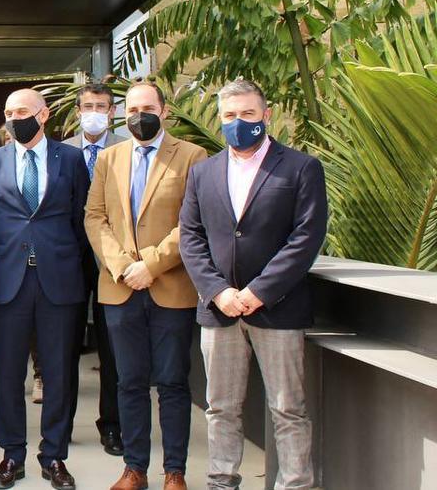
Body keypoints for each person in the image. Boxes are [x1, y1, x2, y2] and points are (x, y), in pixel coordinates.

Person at [180, 80, 328, 490]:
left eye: (247, 114)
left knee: (288, 408)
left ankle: (295, 484)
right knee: (220, 408)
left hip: (278, 309)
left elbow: (306, 238)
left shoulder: (300, 168)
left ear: (266, 115)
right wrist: (218, 291)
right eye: (229, 116)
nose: (238, 123)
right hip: (219, 310)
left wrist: (258, 291)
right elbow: (190, 239)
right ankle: (221, 480)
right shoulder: (202, 172)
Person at [84, 83, 208, 490]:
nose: (140, 115)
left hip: (170, 287)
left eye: (148, 107)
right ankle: (134, 468)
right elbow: (95, 217)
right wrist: (123, 266)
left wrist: (151, 265)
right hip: (119, 288)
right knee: (129, 381)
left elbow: (192, 223)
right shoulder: (109, 157)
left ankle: (175, 471)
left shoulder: (192, 156)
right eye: (133, 109)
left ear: (164, 110)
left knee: (173, 382)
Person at [0, 88, 91, 490]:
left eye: (21, 111)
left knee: (59, 373)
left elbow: (82, 219)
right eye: (8, 112)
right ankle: (12, 455)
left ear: (43, 115)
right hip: (6, 283)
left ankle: (54, 456)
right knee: (7, 374)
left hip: (59, 281)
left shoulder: (72, 159)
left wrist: (72, 267)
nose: (13, 118)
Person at [63, 83, 125, 455]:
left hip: (112, 259)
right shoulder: (62, 152)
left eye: (101, 106)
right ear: (77, 109)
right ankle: (61, 424)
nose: (94, 112)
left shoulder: (126, 148)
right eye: (88, 106)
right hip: (69, 260)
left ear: (112, 111)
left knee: (112, 347)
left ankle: (112, 426)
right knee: (65, 346)